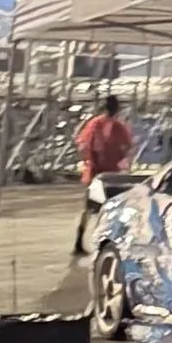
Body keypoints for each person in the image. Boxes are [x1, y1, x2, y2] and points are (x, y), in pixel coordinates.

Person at [72, 95, 134, 254]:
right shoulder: (119, 127)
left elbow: (82, 146)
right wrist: (125, 167)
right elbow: (128, 149)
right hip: (111, 176)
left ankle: (79, 240)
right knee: (112, 209)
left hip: (93, 173)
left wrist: (88, 161)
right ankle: (105, 241)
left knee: (88, 208)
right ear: (117, 109)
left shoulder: (94, 124)